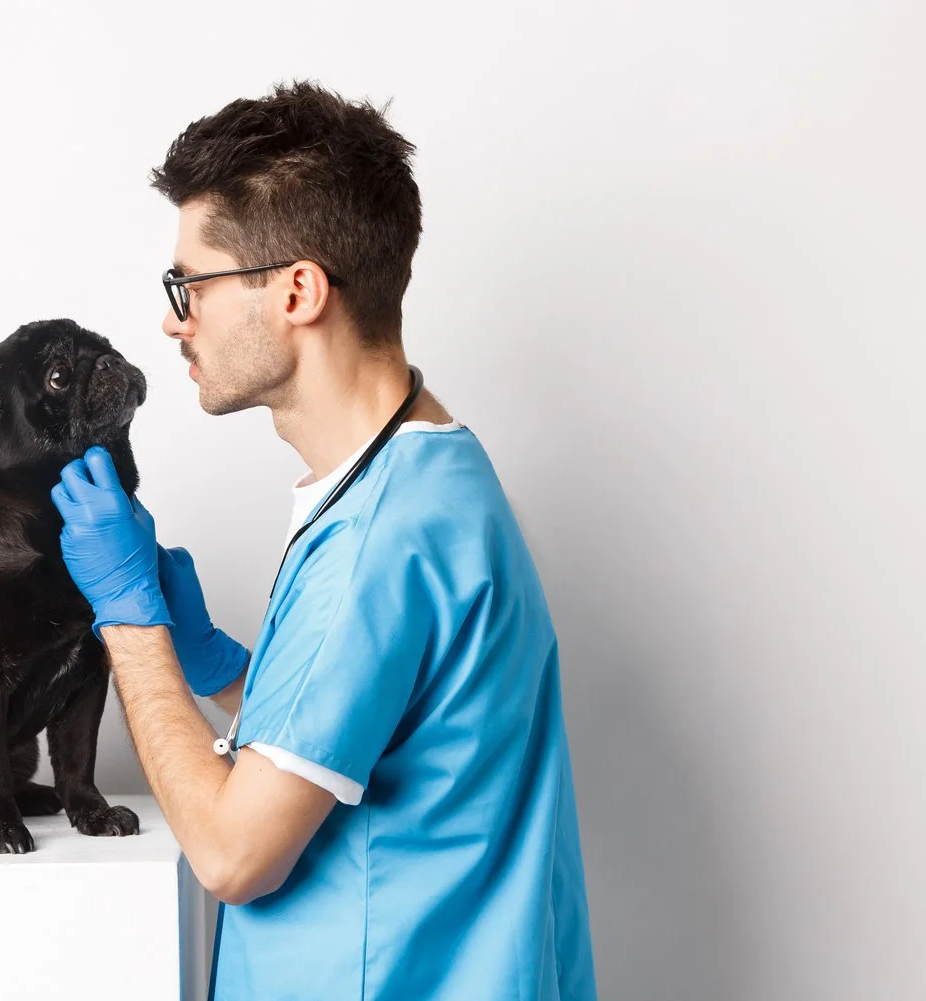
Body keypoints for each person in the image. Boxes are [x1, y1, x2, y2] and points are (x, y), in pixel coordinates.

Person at [48, 82, 597, 1000]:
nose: (173, 319)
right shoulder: (432, 477)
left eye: (191, 283)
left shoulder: (378, 541)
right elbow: (381, 729)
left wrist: (130, 626)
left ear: (299, 290)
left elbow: (232, 853)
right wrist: (222, 667)